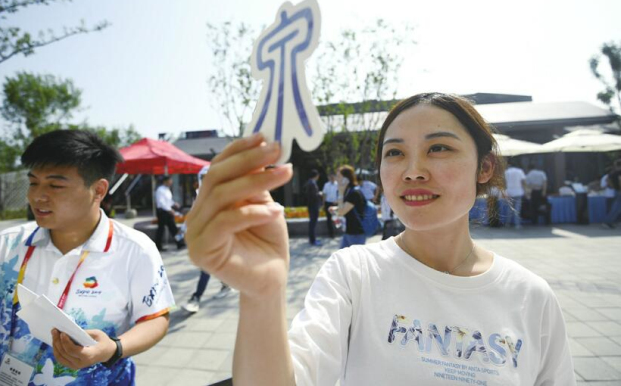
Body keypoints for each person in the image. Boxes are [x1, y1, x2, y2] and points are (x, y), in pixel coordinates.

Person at [184, 92, 576, 385]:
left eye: (438, 148)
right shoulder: (354, 272)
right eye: (394, 153)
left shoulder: (531, 297)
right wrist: (261, 295)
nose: (413, 171)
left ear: (485, 166)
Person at [0, 129, 174, 384]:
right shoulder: (3, 245)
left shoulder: (135, 250)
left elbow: (155, 318)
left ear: (98, 190)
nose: (37, 196)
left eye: (55, 185)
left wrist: (113, 348)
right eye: (33, 182)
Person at [182, 165, 231, 314]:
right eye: (203, 178)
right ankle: (226, 284)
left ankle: (196, 298)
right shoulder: (200, 195)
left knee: (206, 267)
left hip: (216, 235)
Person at [332, 165, 367, 249]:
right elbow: (345, 208)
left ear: (346, 179)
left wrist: (340, 193)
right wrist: (335, 209)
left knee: (355, 260)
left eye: (339, 176)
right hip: (349, 231)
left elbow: (341, 212)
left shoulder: (354, 193)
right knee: (343, 258)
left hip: (356, 233)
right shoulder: (348, 191)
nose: (336, 179)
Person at [155, 176, 186, 251]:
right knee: (161, 229)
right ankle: (158, 245)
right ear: (165, 181)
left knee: (173, 228)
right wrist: (169, 210)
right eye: (169, 181)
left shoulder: (167, 190)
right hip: (163, 211)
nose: (171, 182)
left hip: (167, 211)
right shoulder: (160, 190)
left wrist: (174, 203)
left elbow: (168, 200)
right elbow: (161, 202)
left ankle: (180, 243)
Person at [504, 160, 527, 229]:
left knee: (509, 209)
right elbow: (523, 181)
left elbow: (504, 183)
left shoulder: (506, 172)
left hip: (510, 192)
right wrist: (525, 190)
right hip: (518, 192)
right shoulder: (520, 171)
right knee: (517, 209)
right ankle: (517, 224)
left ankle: (507, 224)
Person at [303, 169, 323, 246]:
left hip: (311, 205)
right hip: (313, 205)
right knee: (313, 223)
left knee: (312, 223)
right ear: (316, 175)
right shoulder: (312, 183)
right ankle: (313, 240)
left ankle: (312, 239)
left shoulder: (309, 183)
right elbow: (313, 195)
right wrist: (319, 194)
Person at [603, 159, 621, 229]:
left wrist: (613, 186)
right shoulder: (619, 172)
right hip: (619, 191)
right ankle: (608, 221)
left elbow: (607, 179)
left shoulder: (612, 172)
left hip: (616, 190)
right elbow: (620, 180)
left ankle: (609, 221)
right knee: (617, 208)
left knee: (616, 207)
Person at [322, 173, 339, 238]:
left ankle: (337, 231)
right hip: (328, 203)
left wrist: (338, 201)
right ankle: (331, 233)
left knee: (336, 218)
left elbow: (339, 194)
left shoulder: (337, 184)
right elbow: (324, 194)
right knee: (329, 219)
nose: (332, 178)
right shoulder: (326, 185)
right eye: (330, 176)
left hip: (335, 203)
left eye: (333, 176)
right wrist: (323, 203)